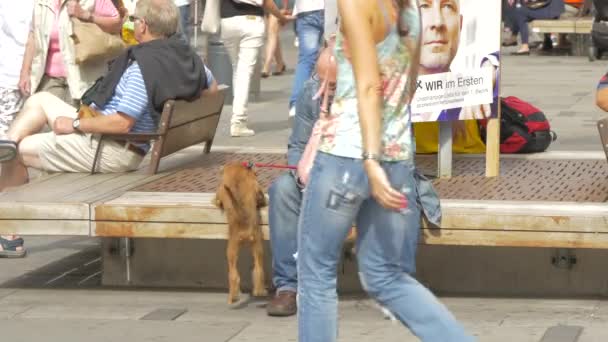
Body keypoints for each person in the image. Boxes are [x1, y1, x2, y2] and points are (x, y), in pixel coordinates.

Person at [296, 0, 473, 340]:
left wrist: (370, 158)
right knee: (386, 275)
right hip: (397, 155)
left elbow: (367, 85)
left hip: (349, 154)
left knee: (316, 272)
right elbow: (407, 88)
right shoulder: (409, 10)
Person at [0, 0, 217, 257]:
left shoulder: (143, 69)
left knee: (24, 150)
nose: (132, 23)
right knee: (39, 101)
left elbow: (122, 123)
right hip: (117, 138)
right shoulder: (186, 56)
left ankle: (7, 230)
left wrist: (75, 124)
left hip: (113, 148)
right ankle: (8, 143)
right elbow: (212, 91)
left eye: (134, 19)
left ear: (143, 26)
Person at [267, 44, 337, 317]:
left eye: (333, 84)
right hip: (316, 176)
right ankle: (287, 286)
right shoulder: (312, 91)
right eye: (321, 80)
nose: (324, 90)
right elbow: (296, 146)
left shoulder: (373, 96)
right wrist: (302, 176)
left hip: (357, 179)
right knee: (282, 189)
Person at [413, 0, 498, 153]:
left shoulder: (475, 84)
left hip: (469, 162)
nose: (438, 22)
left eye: (447, 7)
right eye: (424, 6)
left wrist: (491, 66)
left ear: (460, 24)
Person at [19, 0, 123, 106]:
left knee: (76, 120)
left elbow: (117, 24)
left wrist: (86, 15)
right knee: (45, 117)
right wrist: (25, 72)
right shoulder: (42, 2)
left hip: (84, 81)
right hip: (49, 79)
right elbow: (33, 35)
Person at [220, 0, 291, 137]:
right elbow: (267, 2)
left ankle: (238, 118)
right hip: (251, 21)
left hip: (228, 21)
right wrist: (281, 17)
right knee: (244, 72)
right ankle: (238, 121)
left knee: (238, 69)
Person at [0, 0, 35, 258]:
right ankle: (7, 226)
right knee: (8, 153)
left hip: (30, 78)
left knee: (14, 153)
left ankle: (9, 224)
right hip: (11, 80)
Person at [288, 0, 325, 118]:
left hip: (306, 10)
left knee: (306, 60)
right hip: (333, 9)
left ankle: (297, 104)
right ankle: (332, 102)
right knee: (336, 55)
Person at [261, 0, 295, 78]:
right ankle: (280, 63)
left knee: (272, 33)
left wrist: (285, 6)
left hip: (279, 4)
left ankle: (266, 66)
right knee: (273, 33)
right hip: (267, 4)